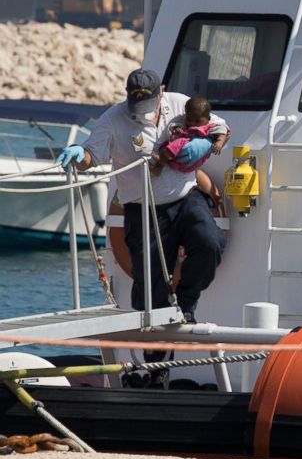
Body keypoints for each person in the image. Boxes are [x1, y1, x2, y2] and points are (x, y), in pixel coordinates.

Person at [55, 69, 227, 329]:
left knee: (210, 242)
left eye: (147, 103)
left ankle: (186, 303)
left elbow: (220, 127)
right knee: (151, 289)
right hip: (142, 208)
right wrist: (79, 154)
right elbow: (91, 156)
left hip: (185, 197)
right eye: (136, 104)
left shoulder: (180, 104)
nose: (142, 111)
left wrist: (210, 144)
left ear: (161, 92)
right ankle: (155, 351)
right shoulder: (113, 118)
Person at [151, 96, 230, 175]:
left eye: (198, 121)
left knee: (167, 150)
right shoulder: (183, 123)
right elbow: (175, 127)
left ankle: (158, 167)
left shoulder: (209, 127)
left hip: (195, 161)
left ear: (208, 119)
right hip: (178, 159)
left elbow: (222, 131)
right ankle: (159, 166)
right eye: (189, 120)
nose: (193, 123)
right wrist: (177, 131)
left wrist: (219, 143)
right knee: (165, 150)